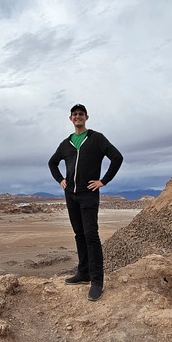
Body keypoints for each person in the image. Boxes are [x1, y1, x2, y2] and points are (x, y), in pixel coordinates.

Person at [48, 104, 123, 301]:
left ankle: (97, 281)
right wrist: (60, 180)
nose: (78, 117)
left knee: (91, 235)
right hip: (71, 194)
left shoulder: (97, 138)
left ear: (86, 117)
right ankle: (83, 273)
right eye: (75, 115)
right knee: (79, 234)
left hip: (88, 194)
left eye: (81, 114)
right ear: (70, 119)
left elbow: (117, 157)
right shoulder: (66, 143)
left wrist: (103, 181)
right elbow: (52, 162)